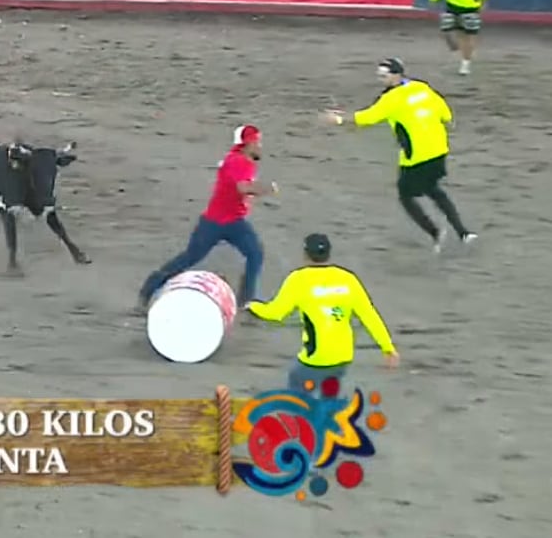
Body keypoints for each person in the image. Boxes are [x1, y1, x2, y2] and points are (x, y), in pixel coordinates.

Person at [322, 58, 475, 251]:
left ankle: (435, 233)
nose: (380, 80)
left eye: (383, 76)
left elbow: (365, 118)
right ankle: (463, 232)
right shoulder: (421, 88)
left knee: (405, 195)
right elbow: (445, 113)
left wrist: (337, 119)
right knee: (434, 190)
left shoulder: (390, 100)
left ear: (396, 75)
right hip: (439, 150)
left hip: (416, 156)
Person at [137, 125, 277, 312]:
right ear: (246, 144)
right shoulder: (240, 162)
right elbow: (243, 188)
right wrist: (268, 189)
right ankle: (150, 286)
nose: (260, 146)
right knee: (192, 258)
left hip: (231, 221)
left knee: (254, 254)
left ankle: (246, 300)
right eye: (256, 142)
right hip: (216, 223)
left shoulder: (237, 160)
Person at [247, 233, 399, 393]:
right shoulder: (347, 279)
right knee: (329, 394)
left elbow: (276, 313)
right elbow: (369, 316)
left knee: (296, 389)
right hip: (343, 357)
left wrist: (254, 306)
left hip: (315, 359)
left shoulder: (298, 279)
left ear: (305, 254)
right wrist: (387, 348)